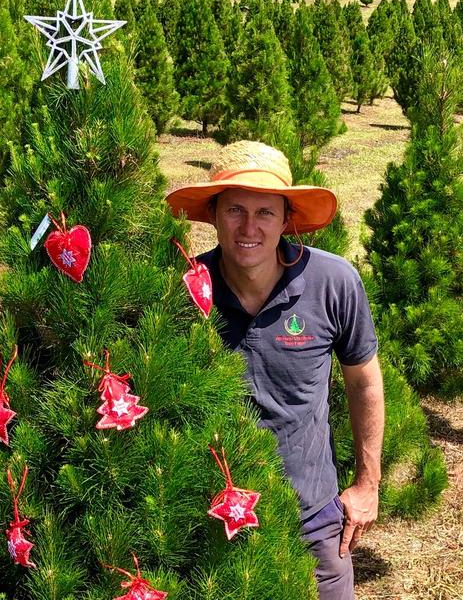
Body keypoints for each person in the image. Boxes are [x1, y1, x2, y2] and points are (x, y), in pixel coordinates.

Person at [165, 141, 385, 600]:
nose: (249, 227)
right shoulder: (185, 290)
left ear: (286, 220)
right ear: (213, 215)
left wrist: (367, 485)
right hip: (210, 521)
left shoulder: (333, 282)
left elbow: (363, 381)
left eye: (265, 212)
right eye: (235, 210)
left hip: (311, 516)